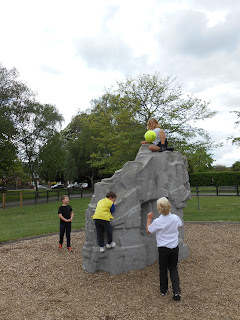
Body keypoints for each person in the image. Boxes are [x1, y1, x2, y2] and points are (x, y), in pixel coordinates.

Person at [146, 197, 182, 301]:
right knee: (173, 269)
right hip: (174, 247)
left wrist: (149, 219)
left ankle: (164, 290)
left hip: (163, 249)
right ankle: (176, 292)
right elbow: (180, 225)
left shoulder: (158, 221)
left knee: (163, 269)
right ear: (169, 207)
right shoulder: (175, 218)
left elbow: (149, 231)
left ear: (159, 209)